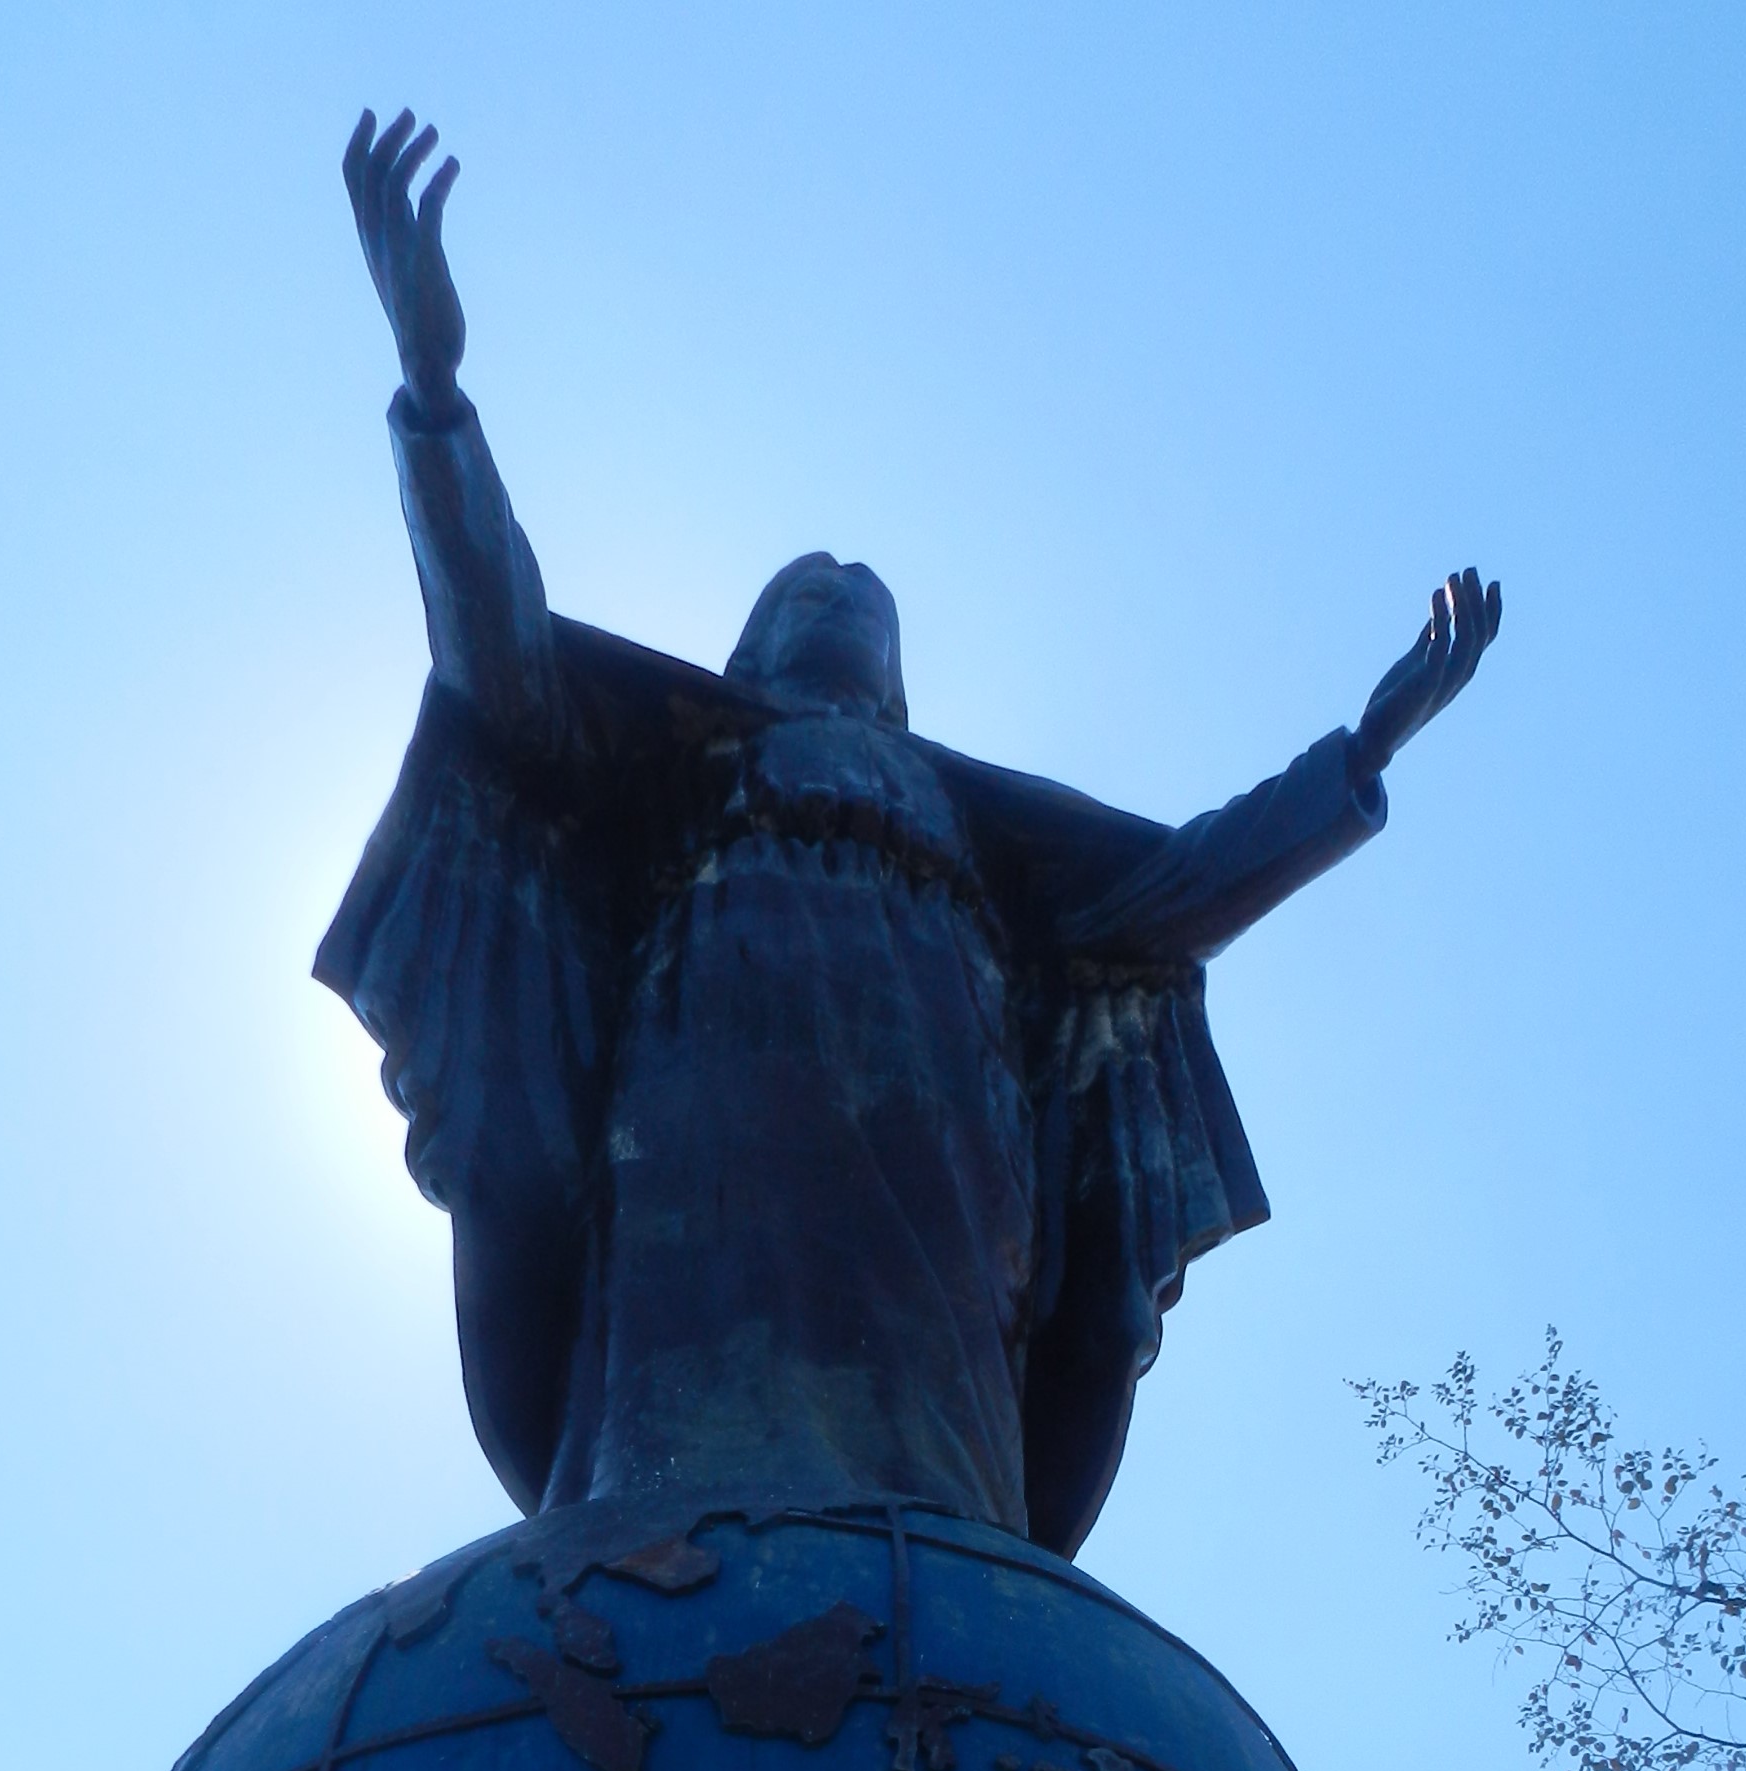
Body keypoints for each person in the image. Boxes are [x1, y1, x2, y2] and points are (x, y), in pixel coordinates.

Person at [320, 112, 1499, 1563]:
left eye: (865, 608)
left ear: (897, 679)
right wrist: (434, 392)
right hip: (705, 1087)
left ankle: (957, 1566)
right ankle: (659, 1540)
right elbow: (494, 648)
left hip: (943, 1125)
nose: (839, 595)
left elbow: (1185, 883)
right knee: (697, 1359)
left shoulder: (980, 824)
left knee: (937, 1405)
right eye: (806, 596)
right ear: (750, 652)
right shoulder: (682, 761)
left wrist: (1359, 756)